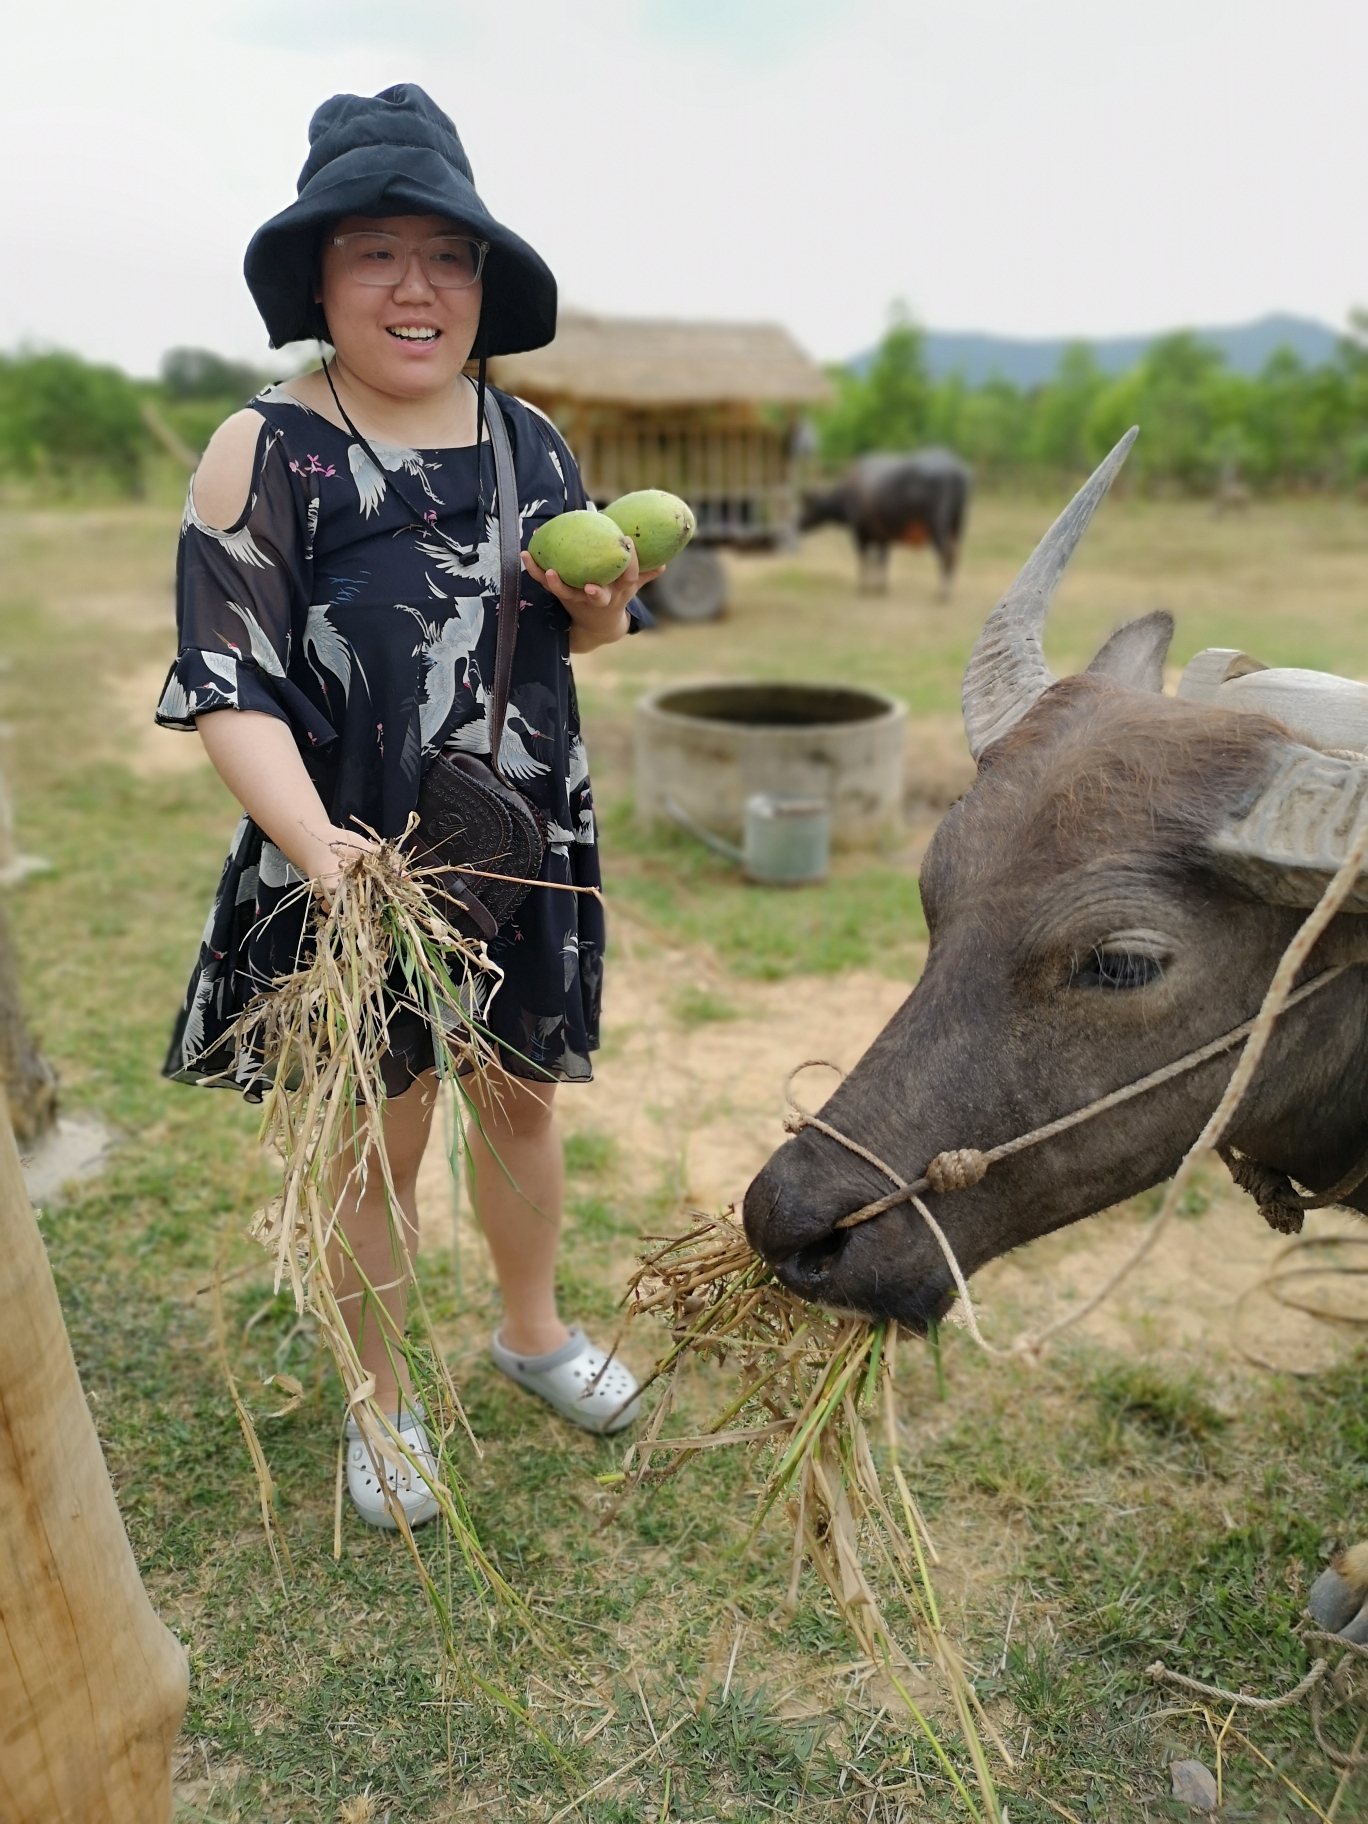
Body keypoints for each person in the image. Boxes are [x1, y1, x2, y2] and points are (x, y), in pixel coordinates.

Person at [155, 84, 651, 1529]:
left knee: (520, 1104)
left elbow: (580, 647)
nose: (417, 288)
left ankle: (534, 1333)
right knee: (381, 1128)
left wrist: (603, 607)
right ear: (319, 279)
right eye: (375, 253)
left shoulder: (533, 446)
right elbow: (227, 685)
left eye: (448, 255)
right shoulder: (265, 451)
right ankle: (379, 1404)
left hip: (518, 849)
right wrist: (321, 853)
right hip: (352, 860)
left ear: (483, 283)